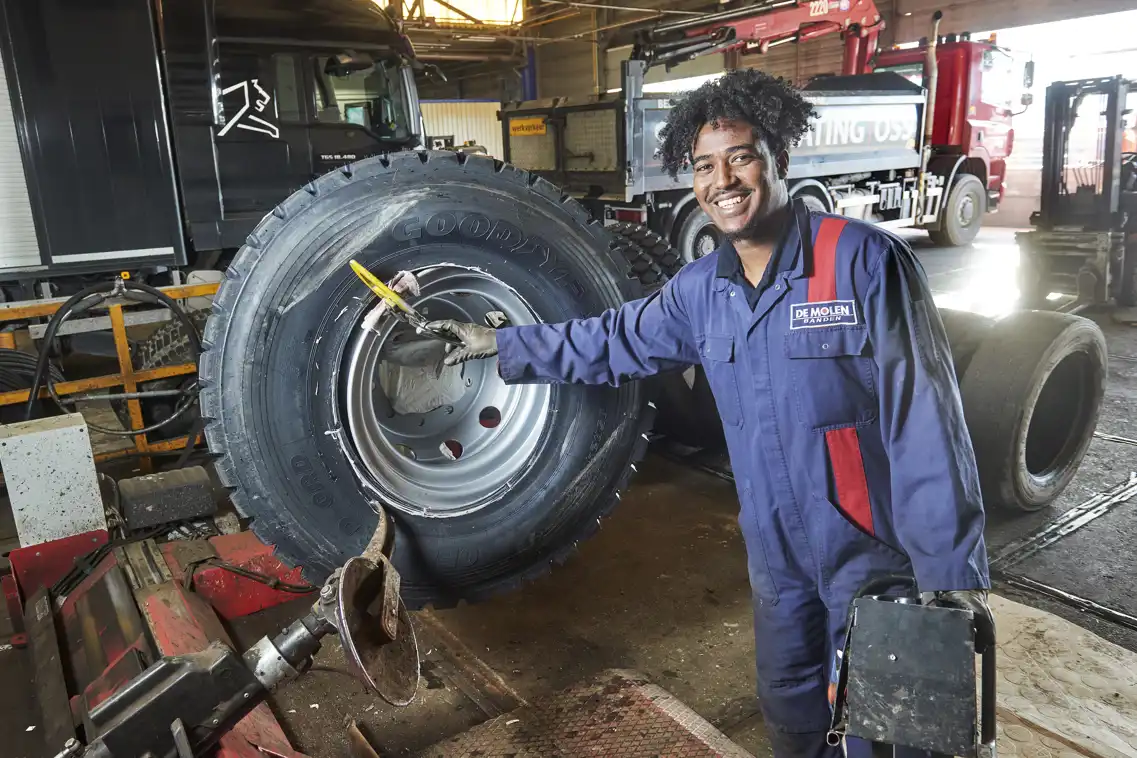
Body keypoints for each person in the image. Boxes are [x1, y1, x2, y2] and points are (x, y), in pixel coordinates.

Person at [427, 69, 990, 758]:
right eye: (703, 165)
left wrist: (950, 570)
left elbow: (925, 416)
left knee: (887, 727)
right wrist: (498, 343)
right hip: (775, 554)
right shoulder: (700, 290)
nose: (721, 179)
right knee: (789, 700)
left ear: (778, 160)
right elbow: (611, 340)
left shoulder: (860, 261)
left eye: (740, 157)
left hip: (871, 553)